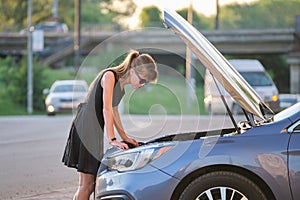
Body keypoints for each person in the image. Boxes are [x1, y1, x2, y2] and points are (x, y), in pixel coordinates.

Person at [62, 50, 158, 200]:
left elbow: (114, 112)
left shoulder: (120, 86)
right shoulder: (110, 76)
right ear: (132, 72)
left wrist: (125, 138)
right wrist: (113, 139)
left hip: (94, 129)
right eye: (142, 80)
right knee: (86, 186)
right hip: (86, 127)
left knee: (89, 184)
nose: (142, 85)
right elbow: (106, 108)